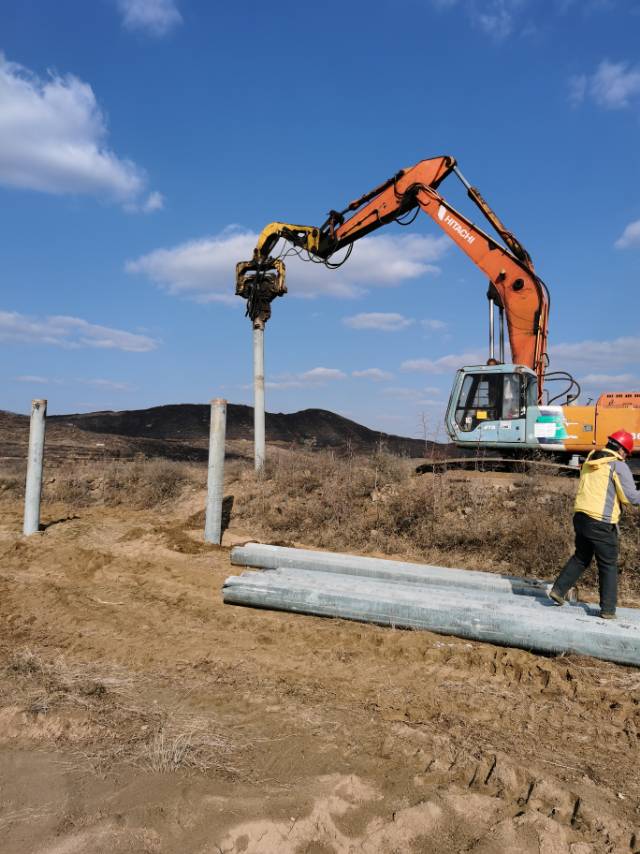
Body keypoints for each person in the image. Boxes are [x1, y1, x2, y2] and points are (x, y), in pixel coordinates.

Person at [549, 429, 640, 619]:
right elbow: (631, 497)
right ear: (622, 450)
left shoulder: (592, 457)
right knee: (608, 565)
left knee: (582, 556)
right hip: (600, 522)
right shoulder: (617, 465)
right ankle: (608, 610)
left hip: (581, 517)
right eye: (626, 454)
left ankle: (558, 590)